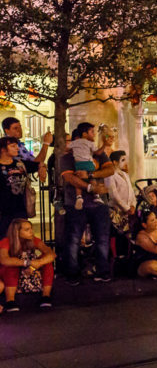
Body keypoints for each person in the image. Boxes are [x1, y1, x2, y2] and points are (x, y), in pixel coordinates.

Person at [60, 123, 115, 284]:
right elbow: (69, 177)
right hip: (76, 204)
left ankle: (102, 270)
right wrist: (91, 187)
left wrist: (91, 173)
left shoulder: (97, 153)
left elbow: (110, 169)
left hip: (99, 204)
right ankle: (72, 273)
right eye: (92, 132)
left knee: (102, 238)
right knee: (74, 239)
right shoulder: (68, 157)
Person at [0, 219, 57, 311]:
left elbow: (51, 254)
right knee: (11, 265)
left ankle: (46, 296)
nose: (31, 232)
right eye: (27, 230)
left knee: (47, 262)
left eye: (31, 228)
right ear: (17, 232)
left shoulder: (34, 240)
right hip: (10, 272)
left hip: (30, 269)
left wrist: (37, 264)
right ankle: (10, 301)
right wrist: (27, 263)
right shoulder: (6, 241)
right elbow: (4, 260)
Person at [0, 137, 36, 238]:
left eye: (17, 146)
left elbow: (38, 164)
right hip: (4, 212)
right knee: (4, 240)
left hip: (20, 208)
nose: (17, 148)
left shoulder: (20, 164)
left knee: (21, 238)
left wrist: (42, 167)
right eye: (13, 146)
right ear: (3, 149)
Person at [2, 117, 51, 182]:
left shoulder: (19, 144)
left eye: (20, 127)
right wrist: (46, 143)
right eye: (15, 128)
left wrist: (42, 166)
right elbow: (32, 164)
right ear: (6, 130)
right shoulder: (6, 145)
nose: (19, 130)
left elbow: (35, 163)